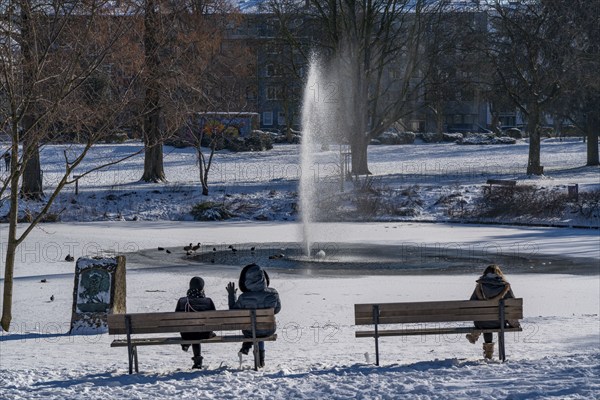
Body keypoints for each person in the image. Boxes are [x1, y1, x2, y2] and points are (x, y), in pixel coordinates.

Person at [226, 263, 281, 368]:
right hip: (269, 329)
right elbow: (277, 310)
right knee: (260, 328)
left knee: (253, 328)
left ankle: (246, 345)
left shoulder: (243, 297)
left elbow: (233, 313)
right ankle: (261, 360)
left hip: (249, 330)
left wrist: (232, 295)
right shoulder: (273, 293)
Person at [465, 264, 520, 360]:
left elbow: (471, 304)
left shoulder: (480, 286)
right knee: (492, 320)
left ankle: (487, 350)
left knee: (485, 320)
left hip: (482, 322)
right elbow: (512, 305)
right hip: (500, 322)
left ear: (485, 274)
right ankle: (480, 342)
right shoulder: (505, 286)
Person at [175, 276, 216, 369]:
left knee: (193, 331)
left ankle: (188, 346)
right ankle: (197, 360)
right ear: (202, 288)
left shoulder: (182, 301)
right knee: (198, 331)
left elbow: (176, 319)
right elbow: (214, 319)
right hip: (205, 334)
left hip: (187, 334)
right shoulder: (208, 301)